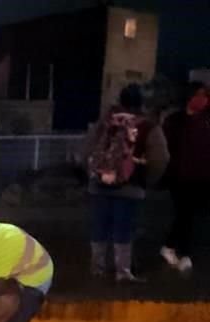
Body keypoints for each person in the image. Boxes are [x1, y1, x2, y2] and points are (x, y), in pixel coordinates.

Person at [85, 84, 169, 282]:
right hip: (130, 186)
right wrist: (146, 179)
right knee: (123, 228)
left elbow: (87, 148)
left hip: (99, 184)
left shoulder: (105, 121)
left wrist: (92, 173)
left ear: (120, 100)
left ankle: (97, 268)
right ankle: (122, 272)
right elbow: (161, 158)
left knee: (100, 225)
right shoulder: (148, 126)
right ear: (141, 103)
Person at [160, 81, 209, 274]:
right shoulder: (175, 121)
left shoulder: (206, 119)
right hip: (181, 177)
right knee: (185, 215)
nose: (204, 99)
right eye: (200, 95)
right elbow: (165, 150)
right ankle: (180, 252)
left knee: (190, 215)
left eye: (205, 95)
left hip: (203, 177)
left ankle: (176, 249)